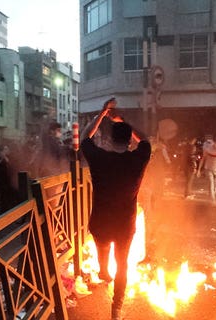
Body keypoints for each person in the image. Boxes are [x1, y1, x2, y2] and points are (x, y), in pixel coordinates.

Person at [80, 98, 151, 320]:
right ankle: (117, 309)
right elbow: (146, 139)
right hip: (125, 224)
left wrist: (102, 114)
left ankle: (102, 270)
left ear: (109, 140)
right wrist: (123, 119)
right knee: (122, 264)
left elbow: (85, 138)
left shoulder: (100, 158)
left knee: (103, 252)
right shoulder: (138, 158)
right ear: (130, 140)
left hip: (100, 223)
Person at [197, 137, 216, 206]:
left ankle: (211, 197)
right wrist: (199, 169)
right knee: (211, 184)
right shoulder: (208, 150)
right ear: (214, 143)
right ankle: (213, 200)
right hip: (208, 168)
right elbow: (203, 159)